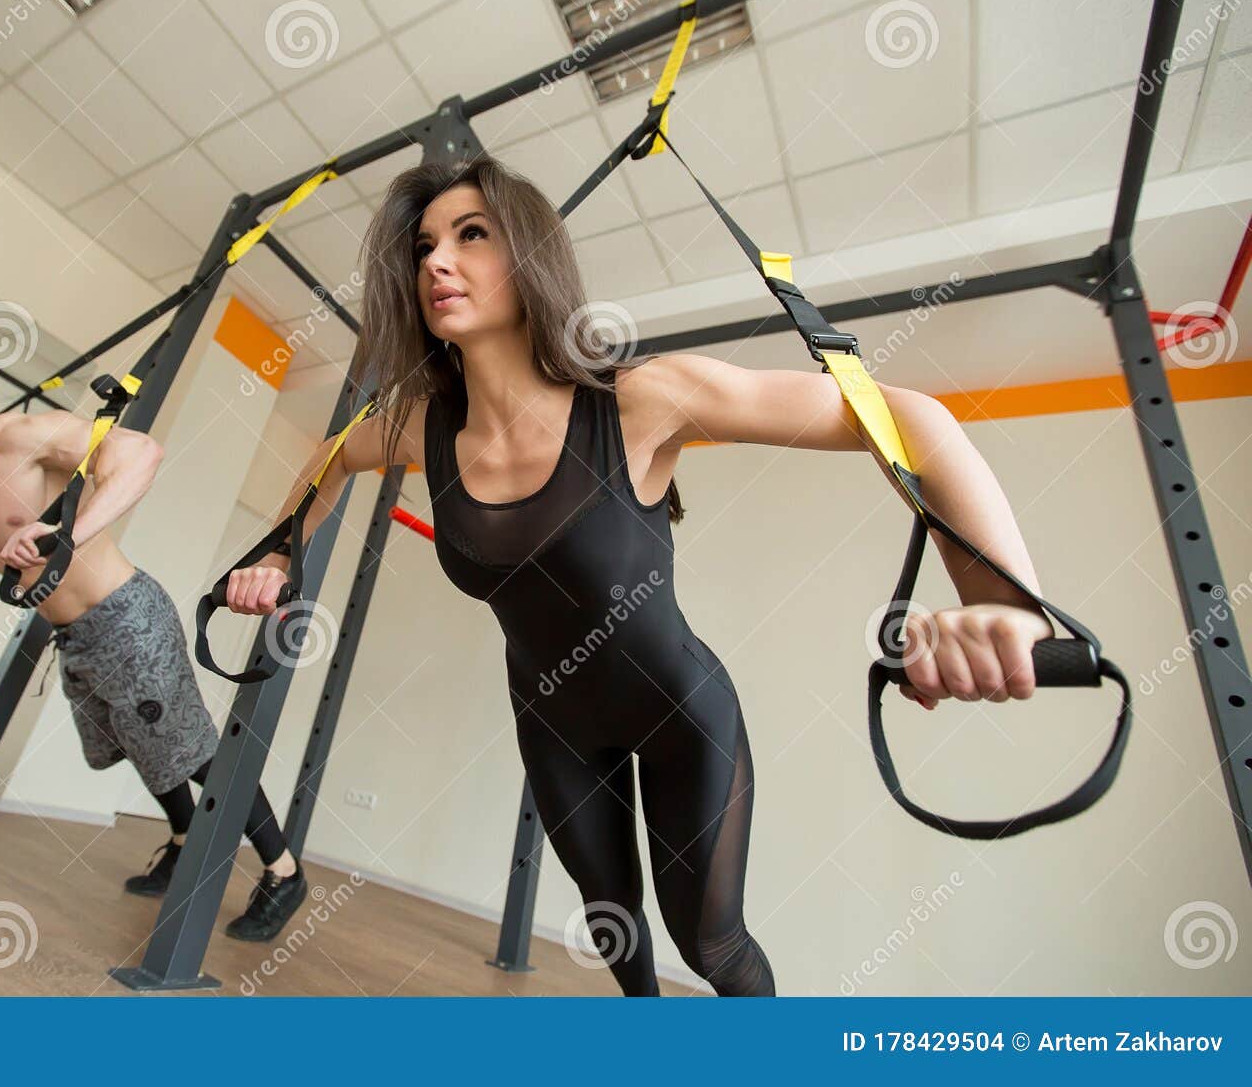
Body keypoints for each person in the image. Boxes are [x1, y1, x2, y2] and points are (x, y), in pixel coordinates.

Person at [221, 155, 1059, 996]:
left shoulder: (644, 401)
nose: (436, 261)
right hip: (554, 726)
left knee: (712, 947)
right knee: (619, 936)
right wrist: (279, 549)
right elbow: (329, 458)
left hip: (682, 719)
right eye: (425, 246)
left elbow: (912, 420)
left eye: (471, 235)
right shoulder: (419, 431)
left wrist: (1004, 603)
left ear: (530, 258)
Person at [0, 353, 306, 941]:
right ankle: (184, 839)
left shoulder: (22, 434)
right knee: (134, 743)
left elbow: (141, 454)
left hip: (127, 617)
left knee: (196, 750)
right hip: (73, 634)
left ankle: (283, 872)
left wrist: (66, 535)